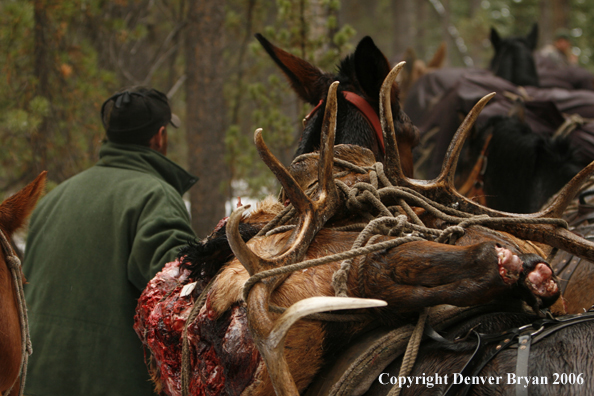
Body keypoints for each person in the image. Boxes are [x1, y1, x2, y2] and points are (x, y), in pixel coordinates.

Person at [22, 87, 198, 395]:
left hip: (35, 383)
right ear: (159, 136)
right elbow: (181, 304)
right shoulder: (155, 197)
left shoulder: (52, 201)